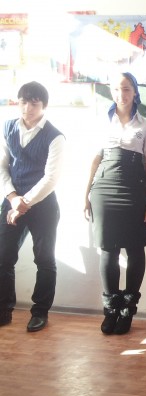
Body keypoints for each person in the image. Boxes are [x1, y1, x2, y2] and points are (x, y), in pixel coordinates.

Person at [84, 72, 146, 335]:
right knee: (108, 250)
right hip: (104, 190)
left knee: (136, 250)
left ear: (135, 92)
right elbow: (94, 160)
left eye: (126, 88)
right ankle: (111, 310)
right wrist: (85, 195)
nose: (121, 94)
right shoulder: (101, 122)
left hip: (134, 191)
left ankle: (127, 310)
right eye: (116, 89)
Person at [0, 81, 65, 332]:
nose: (28, 108)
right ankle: (3, 310)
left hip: (43, 205)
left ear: (44, 106)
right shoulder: (7, 127)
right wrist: (13, 198)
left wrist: (24, 202)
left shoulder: (55, 136)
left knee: (45, 259)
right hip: (12, 201)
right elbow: (2, 167)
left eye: (34, 103)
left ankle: (40, 312)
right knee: (3, 256)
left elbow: (51, 178)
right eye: (23, 102)